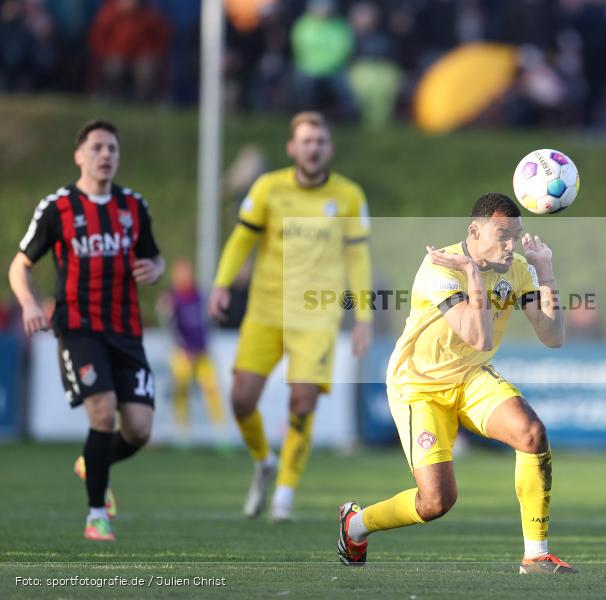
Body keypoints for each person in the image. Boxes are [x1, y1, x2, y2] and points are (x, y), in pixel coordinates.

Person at [338, 193, 575, 574]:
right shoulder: (440, 269)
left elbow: (553, 336)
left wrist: (545, 272)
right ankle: (355, 524)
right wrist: (471, 272)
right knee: (436, 502)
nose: (510, 245)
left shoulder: (516, 267)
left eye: (515, 235)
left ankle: (536, 555)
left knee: (531, 434)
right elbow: (478, 337)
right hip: (419, 386)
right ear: (474, 231)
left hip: (470, 377)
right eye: (502, 236)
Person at [208, 111, 372, 522]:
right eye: (306, 140)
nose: (313, 147)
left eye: (320, 141)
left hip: (317, 316)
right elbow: (241, 238)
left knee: (303, 402)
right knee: (242, 399)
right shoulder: (268, 188)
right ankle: (263, 461)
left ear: (329, 148)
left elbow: (358, 256)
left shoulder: (349, 195)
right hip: (265, 311)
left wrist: (365, 316)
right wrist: (222, 283)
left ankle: (284, 492)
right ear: (292, 148)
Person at [7, 119, 165, 542]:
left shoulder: (134, 206)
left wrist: (155, 268)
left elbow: (155, 257)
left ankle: (92, 464)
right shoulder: (57, 208)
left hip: (126, 330)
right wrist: (27, 303)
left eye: (112, 148)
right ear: (79, 155)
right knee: (102, 409)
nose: (105, 155)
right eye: (96, 147)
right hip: (78, 327)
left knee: (139, 429)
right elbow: (20, 265)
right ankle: (97, 514)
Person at [157, 257, 225, 444]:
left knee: (212, 390)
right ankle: (182, 435)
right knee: (181, 391)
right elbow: (170, 328)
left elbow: (206, 323)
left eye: (187, 271)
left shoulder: (200, 295)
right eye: (181, 272)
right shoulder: (171, 300)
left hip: (202, 351)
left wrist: (204, 346)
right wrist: (181, 347)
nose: (185, 276)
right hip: (182, 353)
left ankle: (221, 434)